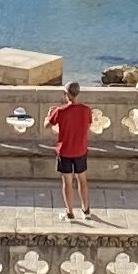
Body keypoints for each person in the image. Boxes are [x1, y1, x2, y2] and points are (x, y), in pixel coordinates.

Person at [46, 79, 95, 221]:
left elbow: (47, 125)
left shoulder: (60, 111)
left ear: (66, 94)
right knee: (82, 180)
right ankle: (86, 210)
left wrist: (49, 114)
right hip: (80, 150)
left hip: (65, 150)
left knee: (67, 182)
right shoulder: (86, 110)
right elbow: (87, 126)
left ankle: (70, 213)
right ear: (78, 93)